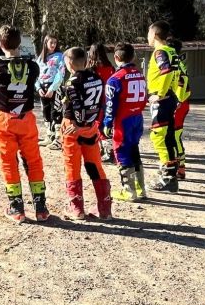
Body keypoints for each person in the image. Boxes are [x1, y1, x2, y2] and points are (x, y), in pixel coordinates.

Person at [0, 25, 48, 223]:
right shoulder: (33, 66)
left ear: (0, 44)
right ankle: (41, 207)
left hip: (4, 119)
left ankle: (16, 207)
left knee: (9, 162)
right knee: (33, 160)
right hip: (27, 118)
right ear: (20, 43)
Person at [57, 47, 111, 220]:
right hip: (91, 127)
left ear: (69, 63)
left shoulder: (72, 82)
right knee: (94, 166)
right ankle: (105, 209)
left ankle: (76, 209)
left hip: (73, 126)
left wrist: (77, 125)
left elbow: (74, 108)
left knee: (72, 166)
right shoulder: (96, 78)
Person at [103, 42, 148, 202]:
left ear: (116, 57)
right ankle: (140, 189)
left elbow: (110, 105)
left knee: (121, 151)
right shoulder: (140, 74)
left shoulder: (114, 79)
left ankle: (128, 191)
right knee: (134, 149)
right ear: (133, 56)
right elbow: (145, 97)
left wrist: (107, 123)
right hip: (138, 117)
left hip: (123, 120)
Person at [146, 21, 182, 192]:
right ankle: (171, 177)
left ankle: (167, 176)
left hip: (162, 100)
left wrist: (159, 94)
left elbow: (166, 71)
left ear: (154, 35)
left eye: (148, 33)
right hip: (170, 99)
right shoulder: (171, 51)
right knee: (167, 138)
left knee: (158, 137)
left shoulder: (160, 52)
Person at [87, 43, 116, 162]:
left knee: (99, 125)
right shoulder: (110, 67)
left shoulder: (92, 69)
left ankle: (109, 152)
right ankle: (105, 149)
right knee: (106, 125)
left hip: (96, 101)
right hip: (109, 100)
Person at [36, 35, 65, 150]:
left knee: (56, 112)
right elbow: (36, 75)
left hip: (54, 87)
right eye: (51, 42)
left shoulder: (59, 56)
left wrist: (53, 88)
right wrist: (38, 88)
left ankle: (58, 139)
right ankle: (50, 135)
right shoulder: (40, 58)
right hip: (42, 87)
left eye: (55, 43)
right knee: (46, 112)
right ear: (45, 43)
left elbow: (61, 73)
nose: (53, 45)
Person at [168, 38, 191, 180]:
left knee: (175, 137)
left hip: (179, 105)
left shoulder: (177, 66)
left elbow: (182, 85)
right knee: (172, 136)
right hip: (178, 104)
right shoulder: (175, 63)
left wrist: (178, 102)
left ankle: (180, 169)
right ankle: (178, 167)